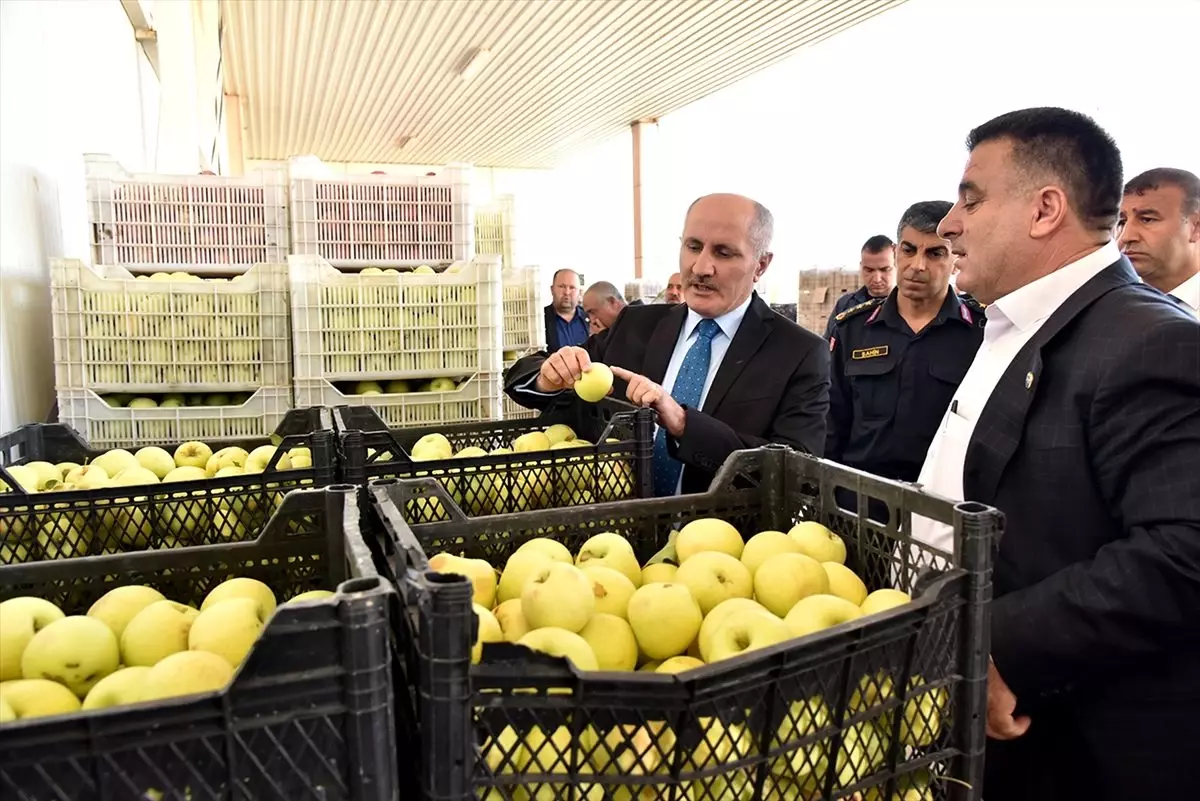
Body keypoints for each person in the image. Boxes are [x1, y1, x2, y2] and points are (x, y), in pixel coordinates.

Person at [911, 107, 1200, 800]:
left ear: (1045, 210)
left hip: (1074, 749)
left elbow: (1185, 546)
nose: (950, 223)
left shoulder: (1150, 341)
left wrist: (1000, 647)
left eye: (971, 199)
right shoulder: (1015, 322)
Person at [505, 193, 830, 496]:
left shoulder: (798, 353)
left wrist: (685, 424)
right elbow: (526, 374)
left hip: (721, 548)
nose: (701, 268)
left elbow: (798, 473)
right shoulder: (636, 326)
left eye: (723, 252)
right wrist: (548, 377)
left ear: (760, 265)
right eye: (693, 246)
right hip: (611, 539)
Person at [826, 200, 984, 487]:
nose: (917, 265)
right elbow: (831, 422)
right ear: (897, 253)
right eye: (909, 250)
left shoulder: (980, 334)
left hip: (940, 506)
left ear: (955, 259)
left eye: (935, 253)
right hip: (859, 499)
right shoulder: (852, 329)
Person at [1117, 167, 1200, 316]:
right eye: (1121, 222)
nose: (1126, 237)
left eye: (1147, 219)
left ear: (1196, 227)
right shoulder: (1109, 309)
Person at [822, 235, 896, 337]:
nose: (877, 279)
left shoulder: (909, 304)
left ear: (897, 265)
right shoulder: (845, 306)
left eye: (885, 270)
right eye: (869, 270)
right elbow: (829, 347)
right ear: (861, 267)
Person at [543, 268, 588, 352]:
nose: (567, 292)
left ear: (579, 292)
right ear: (552, 290)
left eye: (572, 287)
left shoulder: (591, 319)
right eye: (562, 286)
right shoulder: (540, 320)